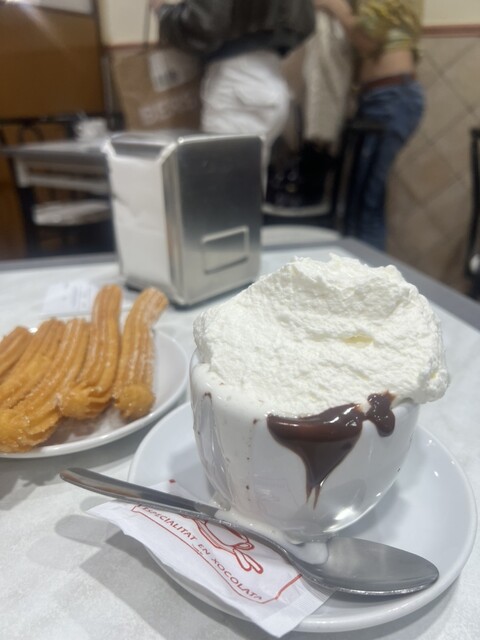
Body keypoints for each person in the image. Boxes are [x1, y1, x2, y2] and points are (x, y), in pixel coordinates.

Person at [150, 0, 315, 180]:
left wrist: (164, 13)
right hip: (269, 77)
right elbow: (306, 22)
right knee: (246, 186)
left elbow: (204, 22)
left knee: (223, 186)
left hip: (236, 82)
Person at [314, 0, 425, 250]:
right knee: (363, 204)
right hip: (388, 96)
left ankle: (367, 273)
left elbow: (368, 40)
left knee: (364, 207)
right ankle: (363, 270)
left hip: (390, 97)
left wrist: (336, 7)